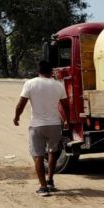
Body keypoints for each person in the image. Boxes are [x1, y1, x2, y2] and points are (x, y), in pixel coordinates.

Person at [13, 60, 69, 197]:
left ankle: (43, 188)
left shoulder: (30, 83)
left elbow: (21, 104)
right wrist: (67, 120)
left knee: (38, 156)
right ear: (52, 72)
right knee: (52, 152)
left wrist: (16, 117)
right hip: (55, 125)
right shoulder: (58, 85)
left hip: (37, 126)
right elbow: (65, 105)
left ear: (38, 71)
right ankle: (50, 180)